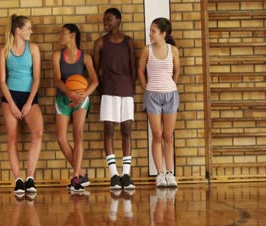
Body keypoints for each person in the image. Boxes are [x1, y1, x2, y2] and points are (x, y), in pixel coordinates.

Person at [0, 14, 43, 195]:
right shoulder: (4, 51)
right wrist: (12, 105)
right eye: (28, 28)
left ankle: (30, 178)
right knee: (12, 137)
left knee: (38, 133)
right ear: (18, 30)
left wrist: (28, 103)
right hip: (10, 97)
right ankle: (18, 180)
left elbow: (37, 78)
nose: (31, 31)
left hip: (29, 97)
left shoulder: (33, 48)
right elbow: (2, 81)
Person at [52, 24, 98, 192]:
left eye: (63, 33)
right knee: (61, 138)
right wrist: (70, 93)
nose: (60, 36)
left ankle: (76, 177)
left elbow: (95, 81)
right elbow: (57, 80)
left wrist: (83, 95)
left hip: (81, 98)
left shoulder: (85, 58)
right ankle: (80, 174)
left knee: (78, 133)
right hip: (63, 97)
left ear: (72, 35)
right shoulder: (57, 56)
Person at [94, 8, 136, 190]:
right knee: (109, 129)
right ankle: (114, 175)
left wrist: (132, 88)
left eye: (109, 19)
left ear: (118, 20)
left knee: (126, 129)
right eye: (104, 20)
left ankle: (126, 174)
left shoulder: (129, 42)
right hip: (108, 89)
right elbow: (95, 69)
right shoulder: (100, 42)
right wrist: (99, 89)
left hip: (126, 89)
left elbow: (133, 67)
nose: (106, 22)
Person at [137, 17, 180, 187]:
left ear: (163, 34)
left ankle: (170, 173)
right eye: (150, 30)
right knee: (157, 135)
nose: (150, 34)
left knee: (168, 136)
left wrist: (172, 85)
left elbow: (177, 71)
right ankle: (160, 173)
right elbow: (140, 71)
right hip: (152, 96)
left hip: (170, 95)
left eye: (153, 31)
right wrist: (146, 88)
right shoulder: (147, 50)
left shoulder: (173, 50)